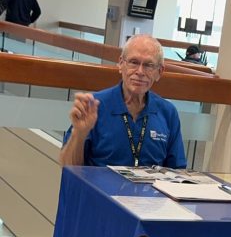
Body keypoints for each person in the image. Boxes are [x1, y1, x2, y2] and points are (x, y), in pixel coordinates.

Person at [60, 34, 187, 168]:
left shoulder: (167, 112)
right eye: (134, 62)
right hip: (102, 188)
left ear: (159, 72)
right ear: (121, 64)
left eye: (149, 65)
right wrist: (79, 134)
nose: (140, 71)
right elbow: (68, 166)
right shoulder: (94, 106)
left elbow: (177, 171)